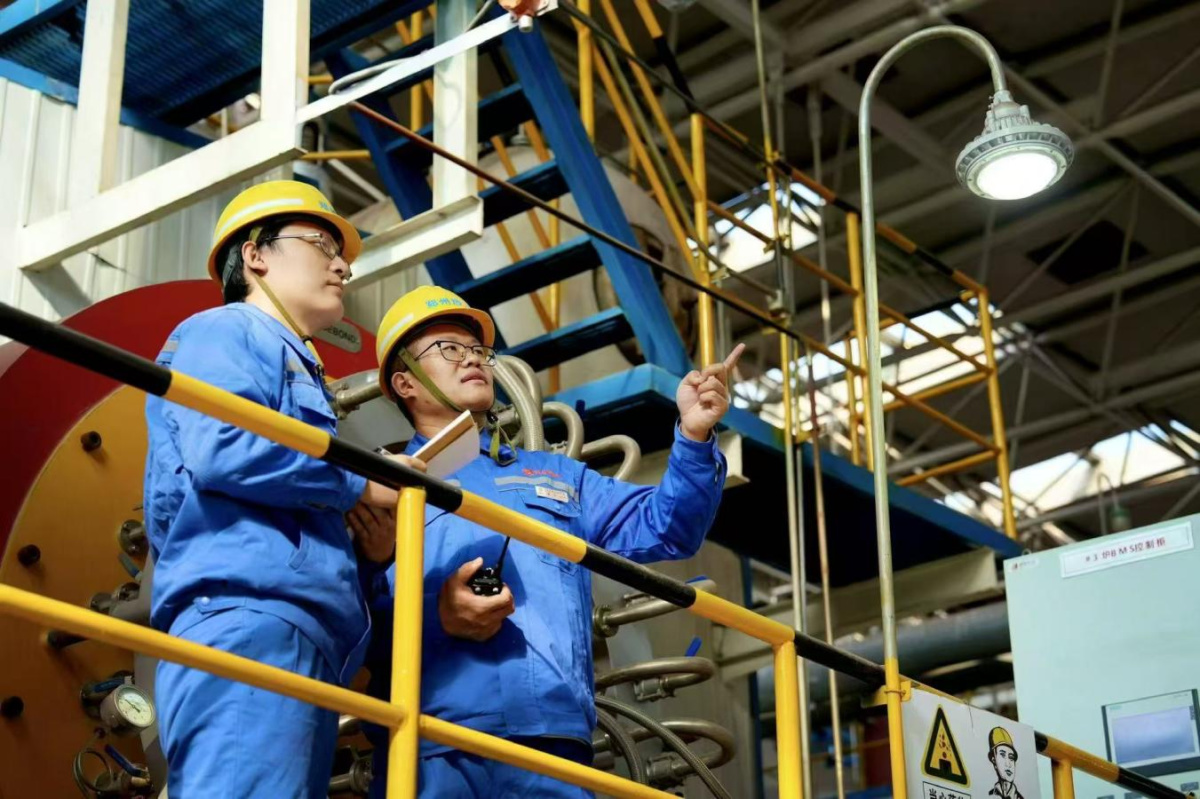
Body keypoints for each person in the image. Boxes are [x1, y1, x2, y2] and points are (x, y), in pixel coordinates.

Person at [352, 285, 743, 797]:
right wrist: (437, 615)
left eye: (478, 349)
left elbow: (669, 528)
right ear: (404, 382)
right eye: (449, 348)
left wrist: (692, 436)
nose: (472, 359)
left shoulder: (555, 475)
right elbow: (345, 621)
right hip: (431, 742)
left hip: (554, 741)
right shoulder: (377, 485)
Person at [143, 180, 422, 797]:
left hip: (299, 631)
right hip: (250, 619)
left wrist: (368, 549)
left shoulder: (293, 361)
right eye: (322, 245)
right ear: (255, 256)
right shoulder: (226, 331)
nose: (343, 265)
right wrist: (360, 482)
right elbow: (222, 449)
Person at [987, 727, 1025, 799]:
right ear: (994, 760)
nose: (1008, 764)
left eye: (1011, 758)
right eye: (1003, 755)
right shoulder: (988, 795)